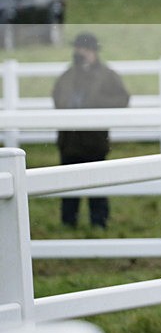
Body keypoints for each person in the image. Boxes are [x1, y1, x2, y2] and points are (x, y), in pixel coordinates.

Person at [52, 33, 130, 228]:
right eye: (78, 49)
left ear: (94, 52)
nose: (80, 53)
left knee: (98, 184)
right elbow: (57, 98)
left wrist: (95, 106)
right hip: (69, 140)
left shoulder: (106, 75)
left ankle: (99, 223)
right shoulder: (68, 75)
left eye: (84, 49)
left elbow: (122, 99)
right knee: (69, 186)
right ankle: (68, 223)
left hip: (94, 140)